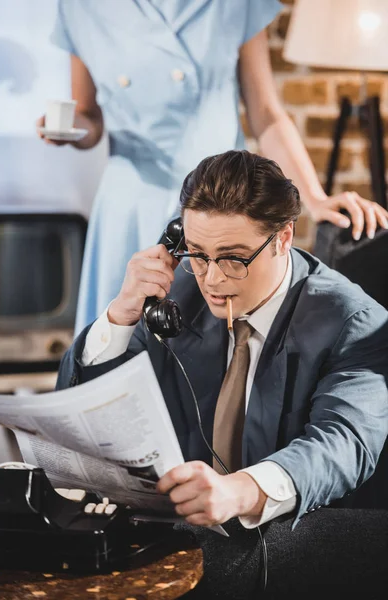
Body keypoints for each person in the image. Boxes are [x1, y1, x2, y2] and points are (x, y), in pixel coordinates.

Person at [57, 150, 388, 599]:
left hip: (289, 543)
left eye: (233, 258)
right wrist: (121, 316)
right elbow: (84, 405)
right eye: (197, 253)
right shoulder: (180, 294)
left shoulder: (354, 320)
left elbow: (342, 444)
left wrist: (239, 491)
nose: (211, 279)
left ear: (282, 237)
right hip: (177, 535)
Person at [37, 0, 388, 335]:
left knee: (220, 348)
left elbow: (265, 112)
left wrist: (315, 198)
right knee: (122, 347)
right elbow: (89, 117)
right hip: (132, 205)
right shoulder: (79, 5)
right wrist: (70, 132)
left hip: (225, 201)